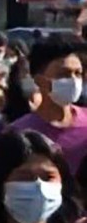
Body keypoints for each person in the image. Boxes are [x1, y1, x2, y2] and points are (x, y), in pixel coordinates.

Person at [9, 34, 87, 172]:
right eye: (63, 74)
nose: (73, 81)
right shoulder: (19, 133)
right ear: (39, 80)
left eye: (78, 73)